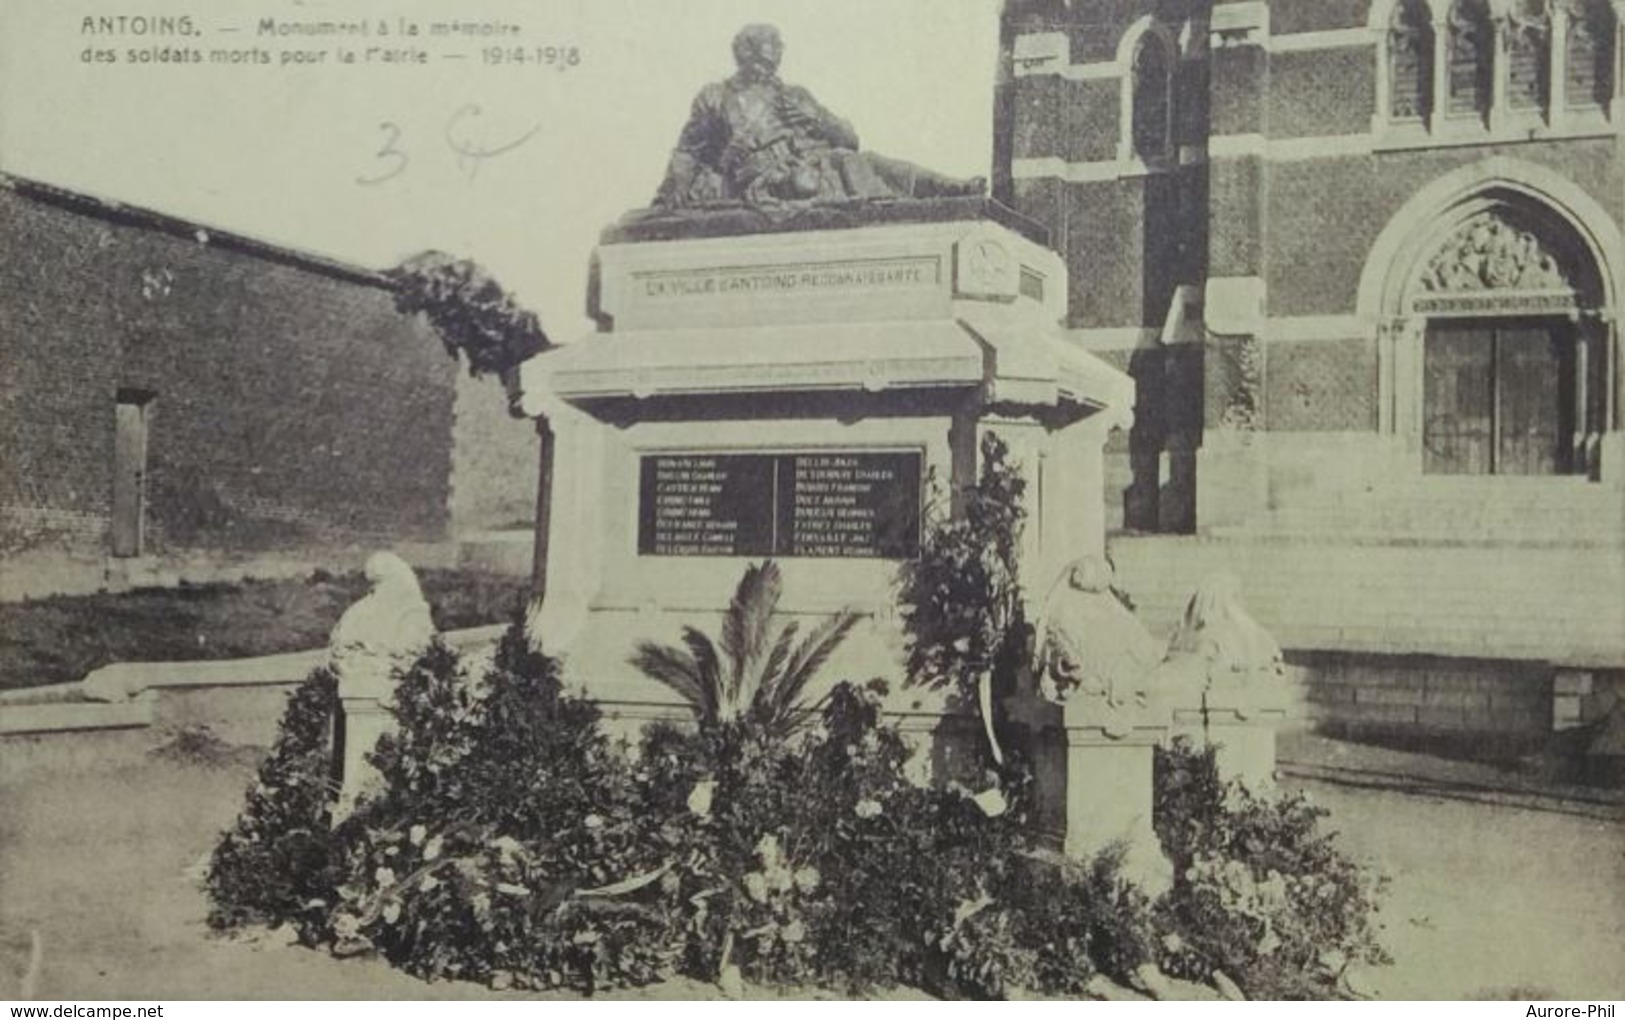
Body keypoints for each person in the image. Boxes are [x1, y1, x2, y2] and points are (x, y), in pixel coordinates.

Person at [653, 24, 986, 209]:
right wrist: (676, 190)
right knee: (807, 182)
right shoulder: (715, 96)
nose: (768, 66)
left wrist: (816, 118)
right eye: (762, 57)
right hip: (764, 178)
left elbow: (850, 140)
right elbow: (688, 150)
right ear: (744, 54)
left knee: (865, 162)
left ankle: (947, 187)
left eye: (773, 58)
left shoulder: (794, 94)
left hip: (818, 162)